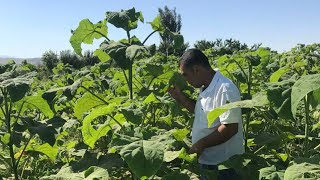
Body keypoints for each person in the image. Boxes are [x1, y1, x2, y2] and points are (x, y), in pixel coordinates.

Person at [168, 49, 244, 179]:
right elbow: (200, 112)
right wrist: (180, 97)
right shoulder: (207, 86)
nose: (185, 80)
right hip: (209, 162)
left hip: (224, 166)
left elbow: (230, 128)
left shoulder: (224, 88)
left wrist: (200, 145)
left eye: (185, 75)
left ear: (196, 69)